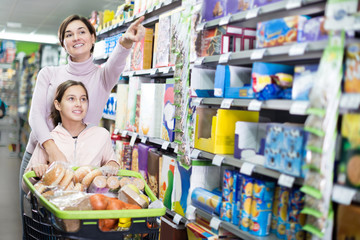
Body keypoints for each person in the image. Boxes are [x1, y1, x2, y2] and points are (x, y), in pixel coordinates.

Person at [19, 14, 145, 237]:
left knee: (78, 227)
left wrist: (125, 42)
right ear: (63, 43)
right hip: (40, 157)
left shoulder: (102, 76)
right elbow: (36, 116)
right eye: (68, 34)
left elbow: (116, 61)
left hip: (83, 164)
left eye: (81, 32)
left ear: (93, 37)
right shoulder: (49, 74)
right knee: (37, 224)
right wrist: (52, 150)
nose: (75, 37)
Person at [22, 80, 119, 191]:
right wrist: (36, 173)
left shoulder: (101, 135)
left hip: (92, 204)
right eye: (71, 99)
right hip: (57, 205)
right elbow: (25, 187)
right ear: (58, 105)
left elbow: (111, 161)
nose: (78, 104)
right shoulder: (49, 140)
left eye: (83, 99)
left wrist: (112, 164)